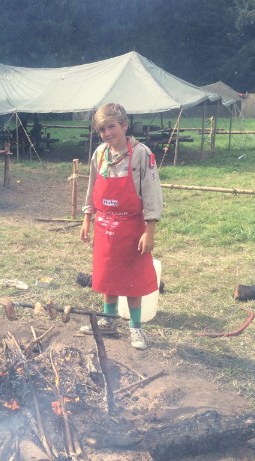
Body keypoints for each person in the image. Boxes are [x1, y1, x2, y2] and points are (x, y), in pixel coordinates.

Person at [80, 103, 163, 350]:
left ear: (124, 125)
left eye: (111, 127)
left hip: (132, 228)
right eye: (102, 129)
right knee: (108, 275)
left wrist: (149, 231)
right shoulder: (100, 154)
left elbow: (152, 194)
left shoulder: (141, 154)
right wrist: (87, 218)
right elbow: (92, 187)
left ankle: (136, 328)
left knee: (132, 279)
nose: (107, 134)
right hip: (104, 227)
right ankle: (108, 321)